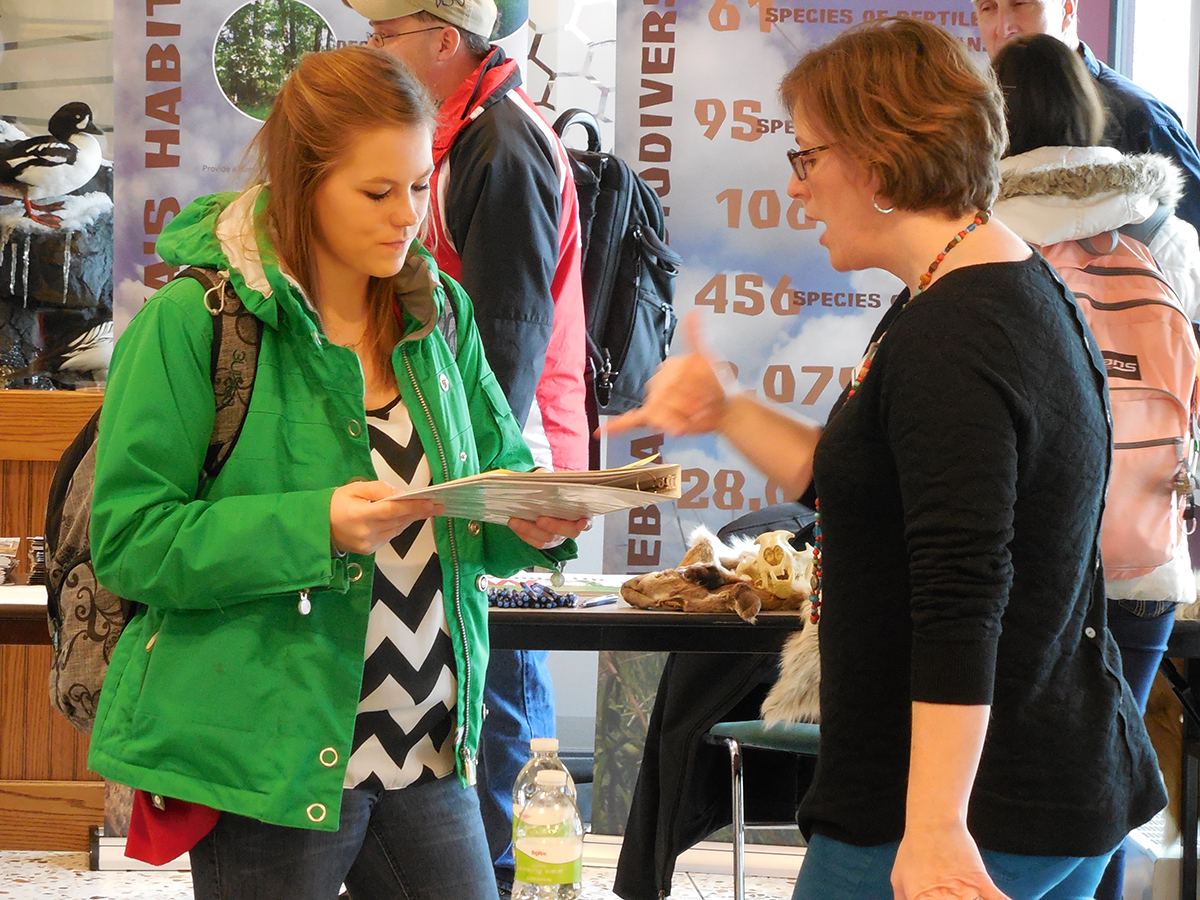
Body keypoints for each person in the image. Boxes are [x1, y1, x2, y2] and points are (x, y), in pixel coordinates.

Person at [609, 17, 1166, 900]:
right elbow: (866, 484)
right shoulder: (967, 290)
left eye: (805, 159)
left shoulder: (960, 333)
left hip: (972, 814)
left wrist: (936, 826)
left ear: (877, 160)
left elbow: (959, 593)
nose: (795, 190)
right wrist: (724, 411)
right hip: (1030, 787)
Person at [85, 45, 587, 900]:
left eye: (421, 185)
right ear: (302, 182)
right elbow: (130, 542)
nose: (408, 216)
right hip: (269, 757)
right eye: (376, 191)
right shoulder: (196, 321)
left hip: (430, 747)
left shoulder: (442, 315)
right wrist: (312, 522)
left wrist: (528, 521)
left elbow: (490, 481)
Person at [345, 1, 590, 893]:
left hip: (501, 467)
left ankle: (506, 871)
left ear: (445, 40)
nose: (370, 49)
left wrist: (483, 477)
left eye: (385, 34)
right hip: (465, 474)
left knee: (494, 694)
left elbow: (508, 332)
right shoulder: (457, 137)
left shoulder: (503, 144)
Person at [992, 32, 1200, 900]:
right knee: (1107, 789)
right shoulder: (1163, 235)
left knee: (1006, 806)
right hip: (1147, 560)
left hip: (1033, 567)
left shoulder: (983, 234)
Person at [972, 0, 1200, 233]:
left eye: (1021, 3)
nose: (1003, 27)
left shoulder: (1142, 119)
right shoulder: (970, 119)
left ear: (1067, 9)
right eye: (988, 8)